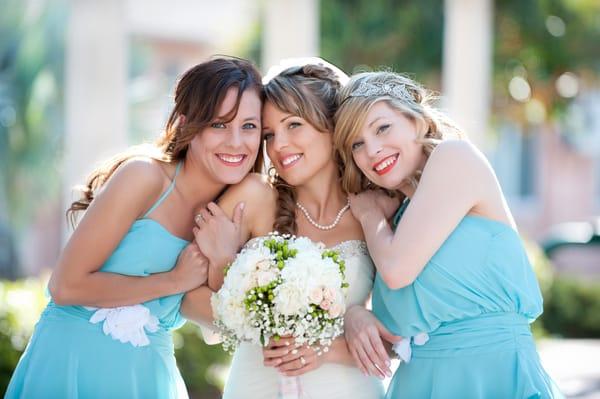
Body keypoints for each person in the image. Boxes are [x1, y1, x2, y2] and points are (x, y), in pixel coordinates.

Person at [5, 57, 264, 399]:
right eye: (218, 125)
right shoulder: (144, 178)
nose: (236, 142)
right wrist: (172, 281)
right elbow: (65, 285)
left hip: (146, 380)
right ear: (187, 124)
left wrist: (222, 260)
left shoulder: (233, 215)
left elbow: (218, 326)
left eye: (249, 126)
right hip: (71, 365)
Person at [334, 71, 563, 398]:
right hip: (418, 385)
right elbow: (393, 339)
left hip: (493, 379)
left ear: (414, 120)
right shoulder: (395, 221)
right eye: (357, 144)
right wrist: (356, 315)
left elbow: (397, 270)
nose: (372, 150)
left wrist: (369, 214)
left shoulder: (454, 158)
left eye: (382, 128)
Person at [181, 59, 386, 399]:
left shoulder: (374, 207)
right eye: (269, 134)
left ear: (332, 125)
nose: (278, 146)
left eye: (294, 125)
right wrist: (225, 270)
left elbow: (402, 338)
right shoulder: (255, 197)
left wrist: (328, 345)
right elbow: (186, 299)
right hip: (257, 386)